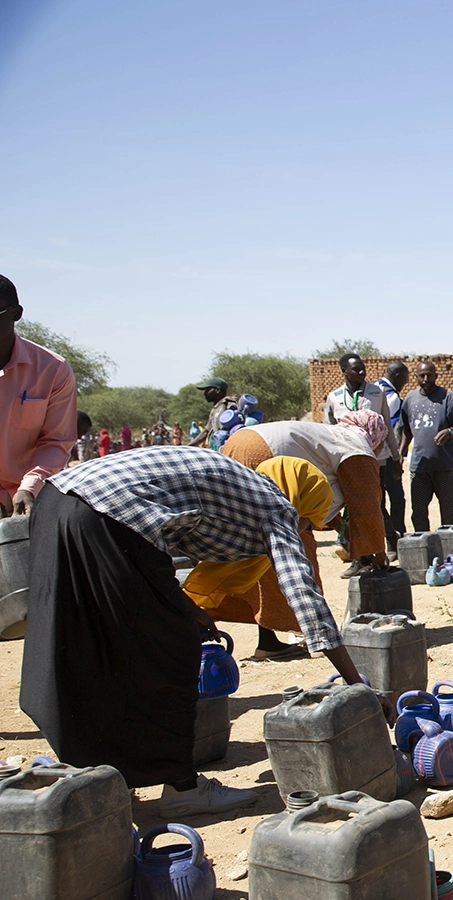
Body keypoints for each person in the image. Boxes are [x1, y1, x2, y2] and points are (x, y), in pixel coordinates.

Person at [22, 446, 377, 816]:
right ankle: (183, 789)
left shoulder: (241, 485)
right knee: (169, 650)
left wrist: (187, 607)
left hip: (56, 502)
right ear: (301, 501)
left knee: (88, 640)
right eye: (308, 523)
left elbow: (161, 534)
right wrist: (357, 683)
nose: (302, 531)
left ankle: (99, 775)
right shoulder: (277, 506)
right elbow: (305, 597)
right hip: (108, 517)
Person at [212, 410, 389, 659]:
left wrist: (348, 534)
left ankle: (268, 641)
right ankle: (317, 636)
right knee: (294, 549)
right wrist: (377, 552)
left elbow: (332, 498)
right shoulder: (357, 446)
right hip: (262, 455)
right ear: (377, 435)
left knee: (258, 548)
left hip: (237, 445)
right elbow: (367, 506)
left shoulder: (332, 437)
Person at [0, 276, 78, 517]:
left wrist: (31, 485)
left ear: (16, 313)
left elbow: (56, 441)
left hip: (26, 504)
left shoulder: (52, 370)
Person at [323, 353, 399, 572]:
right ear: (343, 371)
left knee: (376, 504)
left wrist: (395, 457)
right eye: (356, 369)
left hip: (376, 458)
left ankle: (388, 542)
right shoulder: (334, 397)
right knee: (350, 507)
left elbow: (386, 429)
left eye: (363, 368)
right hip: (346, 461)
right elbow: (329, 431)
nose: (362, 372)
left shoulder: (377, 393)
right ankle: (359, 558)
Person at [399, 360, 453, 532]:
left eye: (430, 375)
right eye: (422, 375)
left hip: (444, 467)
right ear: (416, 377)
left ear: (436, 376)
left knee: (448, 512)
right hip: (420, 468)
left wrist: (450, 431)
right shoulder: (410, 399)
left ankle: (450, 549)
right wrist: (399, 454)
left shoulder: (447, 397)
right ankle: (425, 549)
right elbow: (405, 430)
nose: (426, 378)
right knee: (419, 512)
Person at [376, 361, 410, 558]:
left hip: (367, 455)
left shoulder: (370, 389)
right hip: (386, 456)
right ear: (397, 376)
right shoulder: (391, 396)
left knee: (377, 499)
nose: (405, 383)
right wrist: (396, 456)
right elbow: (391, 429)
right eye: (405, 379)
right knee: (396, 498)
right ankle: (396, 539)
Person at [190, 378, 237, 447]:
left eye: (207, 390)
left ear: (217, 390)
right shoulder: (215, 409)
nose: (205, 393)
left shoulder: (229, 405)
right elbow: (206, 432)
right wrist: (190, 445)